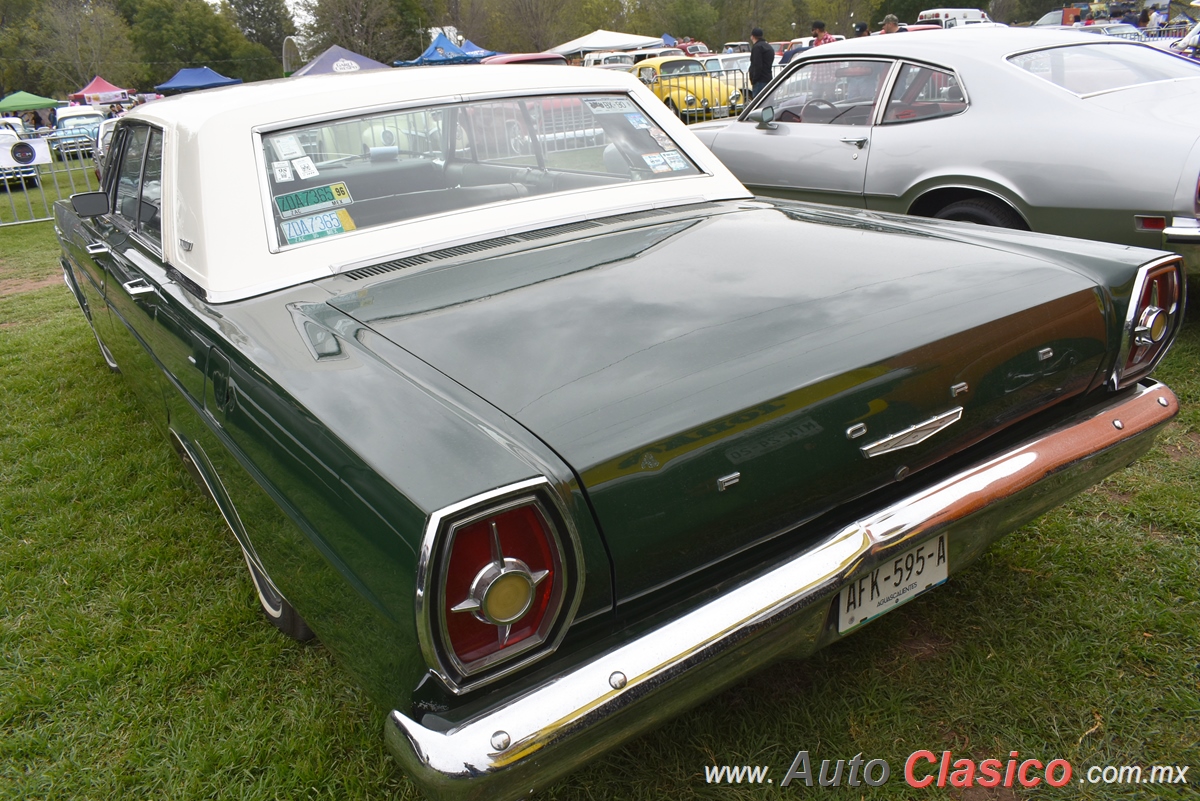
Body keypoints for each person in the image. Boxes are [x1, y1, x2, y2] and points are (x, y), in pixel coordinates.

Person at [748, 27, 774, 100]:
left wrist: (754, 79)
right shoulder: (769, 47)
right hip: (768, 78)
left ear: (752, 36)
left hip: (760, 80)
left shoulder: (757, 47)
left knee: (757, 103)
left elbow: (757, 65)